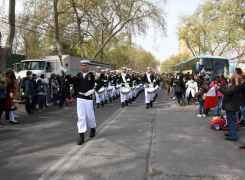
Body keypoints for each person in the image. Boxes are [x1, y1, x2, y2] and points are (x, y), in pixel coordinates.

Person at [69, 60, 103, 145]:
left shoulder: (92, 75)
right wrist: (65, 75)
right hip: (80, 98)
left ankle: (92, 128)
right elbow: (70, 81)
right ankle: (81, 136)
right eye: (82, 65)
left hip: (88, 98)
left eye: (85, 65)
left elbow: (101, 83)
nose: (83, 67)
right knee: (81, 117)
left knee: (90, 116)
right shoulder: (77, 75)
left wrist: (94, 90)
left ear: (88, 66)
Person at [214, 75, 240, 141]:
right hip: (230, 106)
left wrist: (219, 88)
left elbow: (227, 92)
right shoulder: (234, 86)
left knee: (232, 122)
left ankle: (233, 136)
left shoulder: (235, 87)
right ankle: (231, 133)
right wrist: (221, 86)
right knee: (230, 121)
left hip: (231, 107)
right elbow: (227, 90)